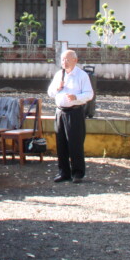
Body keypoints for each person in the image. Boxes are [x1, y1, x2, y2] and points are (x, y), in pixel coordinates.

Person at [47, 49, 94, 184]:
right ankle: (64, 172)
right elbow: (50, 92)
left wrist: (76, 97)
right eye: (62, 60)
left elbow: (89, 94)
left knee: (75, 143)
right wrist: (57, 88)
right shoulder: (58, 75)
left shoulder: (82, 75)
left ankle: (77, 173)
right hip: (60, 112)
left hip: (74, 112)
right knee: (61, 144)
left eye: (67, 60)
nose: (64, 62)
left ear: (75, 60)